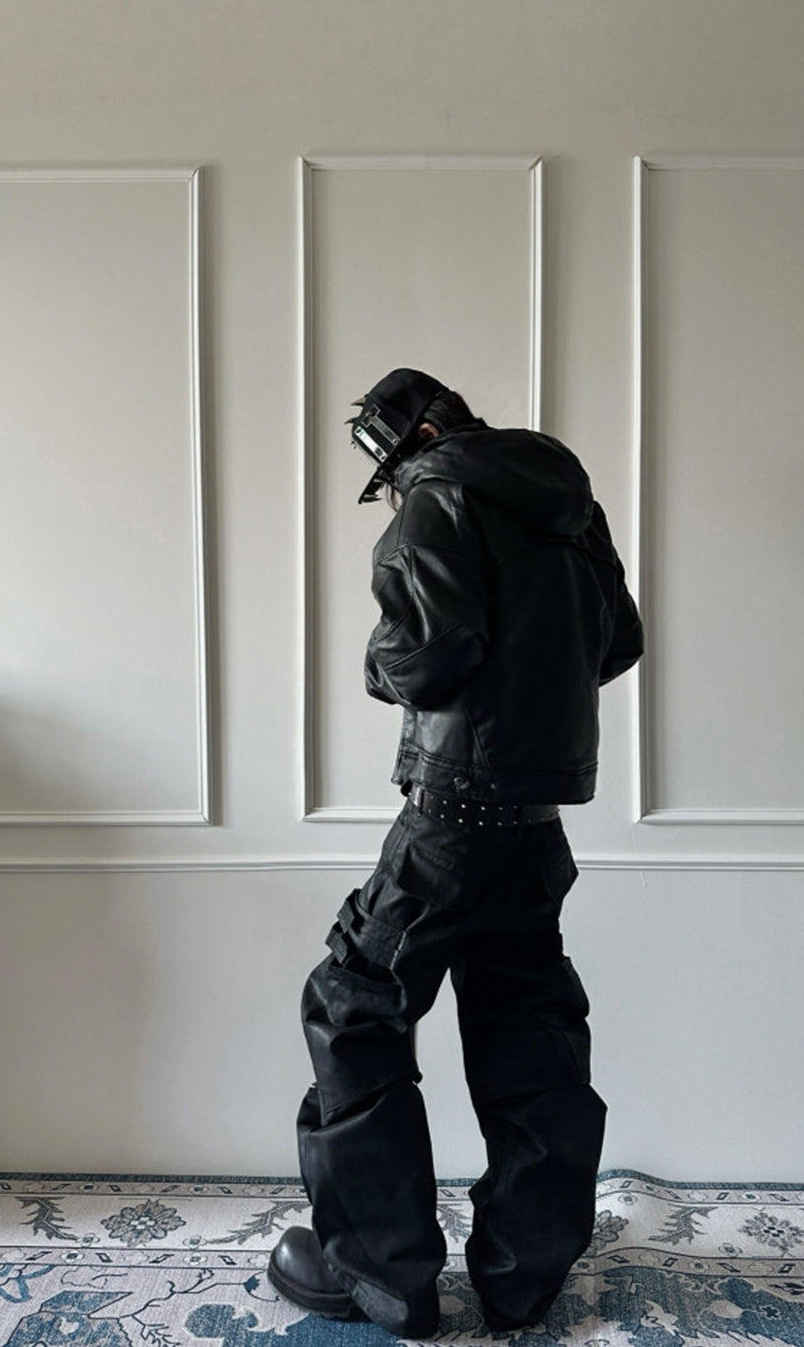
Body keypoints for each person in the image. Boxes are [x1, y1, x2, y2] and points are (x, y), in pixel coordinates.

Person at [268, 368, 643, 1337]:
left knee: (352, 1007)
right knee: (528, 1026)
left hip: (451, 816)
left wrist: (376, 658)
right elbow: (618, 643)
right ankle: (523, 1277)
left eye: (393, 468)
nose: (395, 488)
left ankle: (376, 1273)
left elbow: (423, 659)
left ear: (425, 435)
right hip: (535, 820)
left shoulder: (438, 496)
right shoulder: (569, 499)